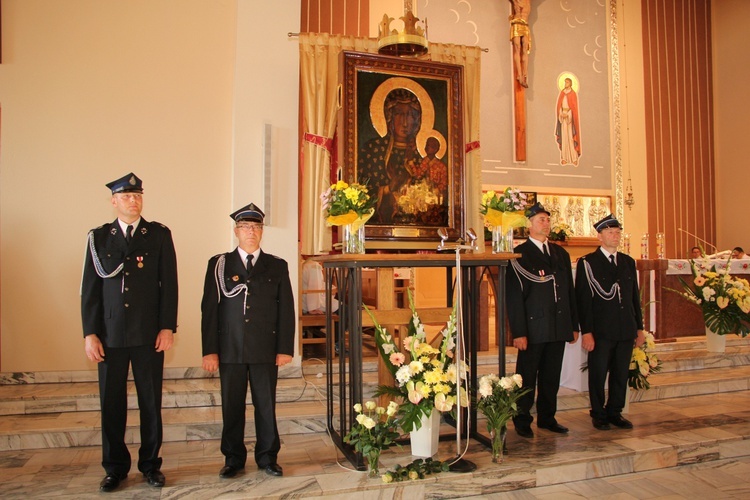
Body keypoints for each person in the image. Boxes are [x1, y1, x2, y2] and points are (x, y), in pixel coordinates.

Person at [80, 172, 178, 493]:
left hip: (149, 334)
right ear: (114, 201)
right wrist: (90, 334)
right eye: (125, 197)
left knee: (150, 403)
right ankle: (115, 468)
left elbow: (169, 286)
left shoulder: (158, 235)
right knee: (112, 404)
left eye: (137, 196)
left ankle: (151, 465)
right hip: (110, 336)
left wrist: (167, 327)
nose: (133, 201)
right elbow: (90, 291)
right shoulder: (99, 238)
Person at [201, 203, 295, 479]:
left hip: (265, 348)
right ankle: (233, 458)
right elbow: (210, 309)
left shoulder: (277, 266)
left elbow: (286, 309)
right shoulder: (218, 264)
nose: (250, 231)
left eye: (255, 227)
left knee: (266, 405)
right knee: (232, 405)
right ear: (236, 231)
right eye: (245, 227)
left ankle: (268, 456)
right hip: (229, 348)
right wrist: (210, 351)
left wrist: (284, 349)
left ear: (262, 231)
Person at [506, 202, 579, 438]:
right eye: (540, 219)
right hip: (533, 326)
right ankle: (522, 418)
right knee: (527, 377)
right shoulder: (520, 254)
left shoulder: (560, 253)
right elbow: (515, 298)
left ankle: (547, 417)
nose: (545, 223)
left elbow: (569, 292)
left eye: (547, 219)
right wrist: (519, 332)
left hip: (558, 326)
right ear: (529, 225)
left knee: (551, 376)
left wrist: (573, 325)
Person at [575, 214, 645, 431]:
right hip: (601, 330)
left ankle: (615, 411)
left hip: (625, 328)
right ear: (600, 236)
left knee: (620, 372)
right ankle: (598, 413)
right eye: (610, 233)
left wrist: (639, 327)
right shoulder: (588, 263)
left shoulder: (627, 261)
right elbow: (583, 300)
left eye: (617, 233)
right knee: (597, 373)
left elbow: (634, 297)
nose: (615, 236)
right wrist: (587, 331)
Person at [358, 88, 422, 224]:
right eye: (399, 114)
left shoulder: (419, 155)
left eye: (410, 115)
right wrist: (387, 189)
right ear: (389, 117)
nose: (405, 122)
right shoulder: (373, 149)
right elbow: (362, 189)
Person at [301, 256, 340, 352]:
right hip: (311, 303)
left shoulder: (306, 264)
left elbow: (318, 284)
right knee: (344, 310)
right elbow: (314, 287)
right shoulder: (314, 266)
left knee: (342, 304)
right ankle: (337, 344)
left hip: (308, 301)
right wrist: (313, 308)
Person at [556, 77, 581, 166]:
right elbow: (559, 106)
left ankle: (574, 158)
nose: (565, 84)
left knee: (570, 138)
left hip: (570, 119)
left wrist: (568, 114)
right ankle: (564, 158)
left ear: (570, 83)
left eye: (566, 82)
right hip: (563, 117)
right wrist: (561, 113)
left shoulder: (573, 94)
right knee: (564, 138)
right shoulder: (562, 93)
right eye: (564, 82)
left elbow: (574, 108)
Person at [509, 0, 532, 88]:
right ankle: (519, 75)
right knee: (517, 47)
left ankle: (524, 75)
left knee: (525, 48)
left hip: (525, 25)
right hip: (516, 23)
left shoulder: (528, 1)